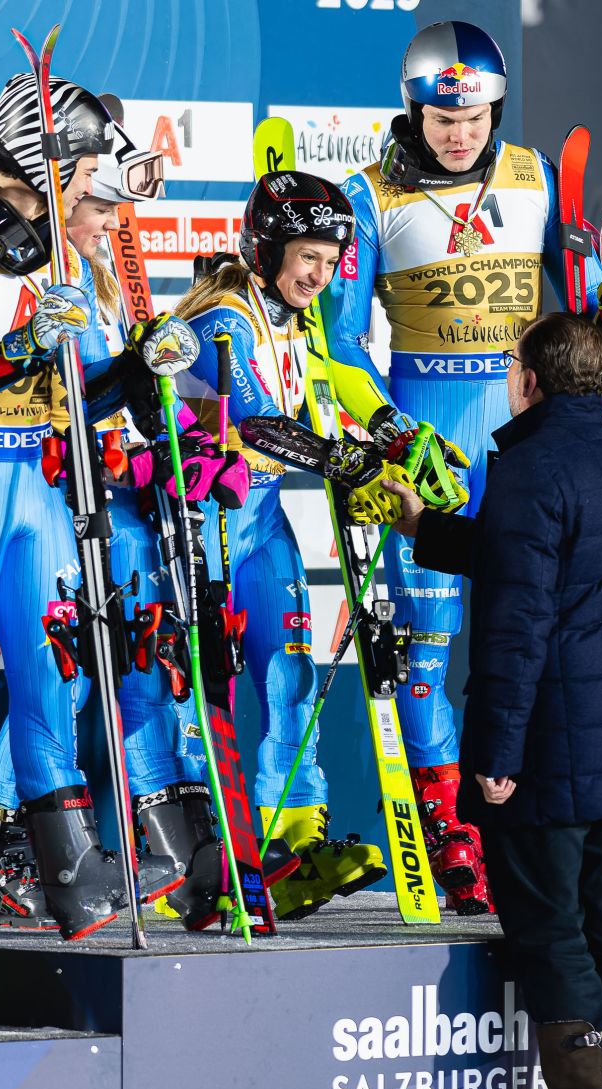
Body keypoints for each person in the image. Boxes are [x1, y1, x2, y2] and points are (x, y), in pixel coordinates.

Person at [0, 72, 183, 941]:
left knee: (55, 674)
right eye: (86, 160)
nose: (94, 178)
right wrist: (20, 345)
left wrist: (137, 368)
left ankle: (52, 864)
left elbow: (78, 397)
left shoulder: (69, 258)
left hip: (37, 478)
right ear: (38, 155)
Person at [326, 19, 602, 914]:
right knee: (427, 649)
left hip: (522, 437)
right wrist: (397, 433)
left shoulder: (534, 176)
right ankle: (452, 830)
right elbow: (335, 344)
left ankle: (538, 812)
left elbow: (577, 300)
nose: (459, 131)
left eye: (475, 114)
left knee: (540, 631)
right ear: (412, 107)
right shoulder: (365, 197)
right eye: (442, 115)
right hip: (429, 434)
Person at [387, 311, 602, 1089]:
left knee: (553, 929)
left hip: (552, 737)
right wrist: (427, 528)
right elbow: (533, 562)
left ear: (530, 379)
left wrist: (497, 757)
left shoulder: (529, 464)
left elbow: (517, 623)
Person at [0, 123, 238, 930]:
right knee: (61, 673)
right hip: (57, 493)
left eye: (114, 210)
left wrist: (180, 433)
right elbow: (50, 392)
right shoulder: (37, 274)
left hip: (121, 497)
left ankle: (166, 839)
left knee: (138, 664)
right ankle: (9, 849)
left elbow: (123, 385)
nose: (106, 223)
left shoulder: (102, 269)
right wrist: (104, 414)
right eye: (97, 207)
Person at [169, 170, 409, 920]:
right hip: (202, 520)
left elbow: (321, 403)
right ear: (267, 245)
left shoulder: (301, 323)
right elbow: (258, 420)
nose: (321, 272)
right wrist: (340, 460)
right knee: (202, 692)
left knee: (290, 676)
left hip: (264, 515)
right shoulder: (225, 319)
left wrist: (384, 438)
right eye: (307, 254)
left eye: (332, 257)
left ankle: (295, 839)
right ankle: (203, 854)